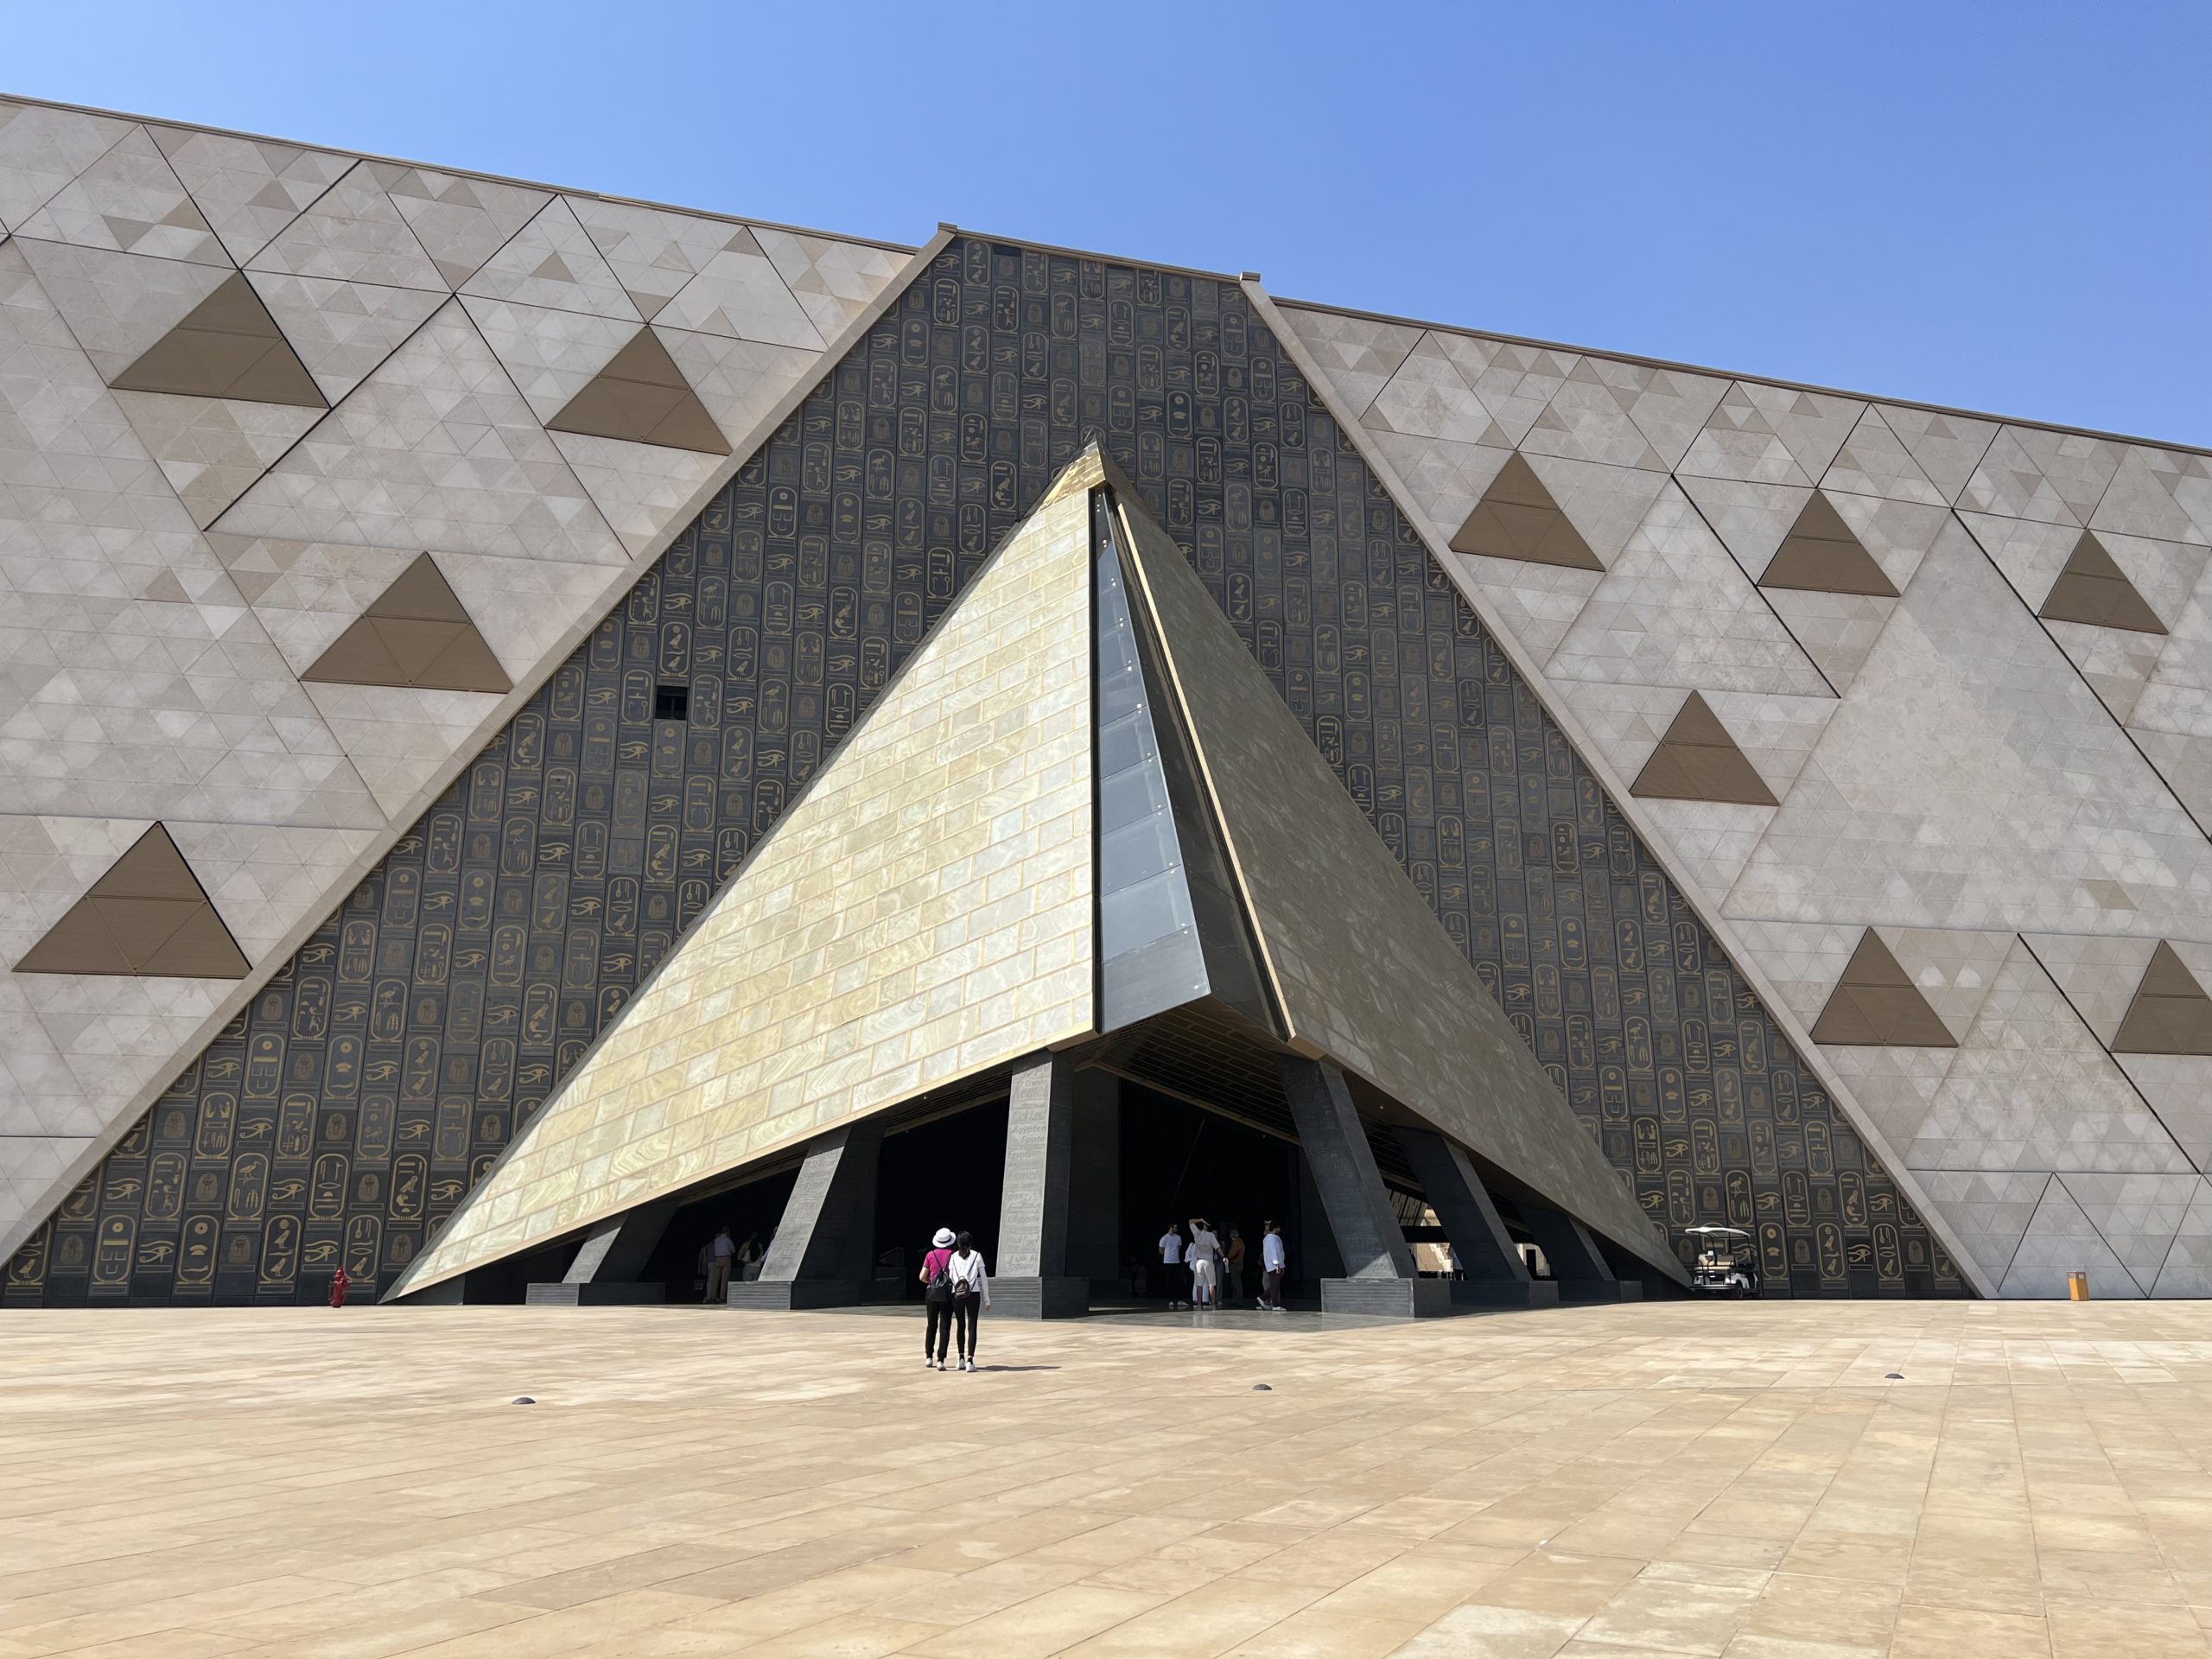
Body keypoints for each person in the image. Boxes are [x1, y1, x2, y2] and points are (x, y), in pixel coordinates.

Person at [947, 1230, 989, 1371]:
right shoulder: (977, 1256)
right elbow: (983, 1278)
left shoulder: (953, 1257)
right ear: (970, 1243)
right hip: (973, 1293)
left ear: (958, 1243)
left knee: (960, 1325)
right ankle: (970, 1360)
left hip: (957, 1294)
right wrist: (986, 1298)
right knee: (972, 1326)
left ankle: (960, 1358)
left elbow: (951, 1277)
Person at [919, 1226, 957, 1370]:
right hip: (947, 1294)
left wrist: (932, 1282)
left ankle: (929, 1356)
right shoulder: (954, 1255)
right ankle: (941, 1359)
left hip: (932, 1293)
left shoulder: (930, 1255)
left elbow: (922, 1276)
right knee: (945, 1326)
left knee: (931, 1324)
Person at [1188, 1216, 1220, 1309]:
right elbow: (1217, 1247)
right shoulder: (1210, 1236)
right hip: (1208, 1261)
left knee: (1199, 1284)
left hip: (1199, 1262)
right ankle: (1213, 1303)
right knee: (1211, 1284)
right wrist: (1223, 1256)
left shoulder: (1197, 1234)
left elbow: (1190, 1221)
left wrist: (1200, 1219)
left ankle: (1199, 1303)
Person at [1260, 1219, 1287, 1312]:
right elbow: (1274, 1252)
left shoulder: (1269, 1238)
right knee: (1275, 1285)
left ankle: (1264, 1299)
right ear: (1275, 1228)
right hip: (1274, 1265)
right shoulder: (1272, 1238)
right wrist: (1277, 1264)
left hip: (1271, 1265)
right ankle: (1274, 1304)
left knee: (1274, 1285)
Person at [1158, 1222, 1185, 1308]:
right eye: (1175, 1227)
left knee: (1178, 1281)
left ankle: (1180, 1299)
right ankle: (1170, 1300)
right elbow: (1161, 1250)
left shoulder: (1178, 1237)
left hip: (1176, 1262)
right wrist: (1168, 1255)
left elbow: (1179, 1248)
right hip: (1168, 1262)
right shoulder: (1164, 1238)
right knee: (1169, 1281)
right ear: (1171, 1228)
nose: (1177, 1229)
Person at [704, 1226, 734, 1302]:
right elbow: (733, 1250)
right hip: (726, 1258)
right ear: (727, 1232)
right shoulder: (728, 1240)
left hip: (717, 1259)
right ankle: (722, 1297)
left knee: (716, 1278)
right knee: (724, 1278)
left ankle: (713, 1296)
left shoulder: (716, 1240)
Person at [1224, 1226, 1246, 1305]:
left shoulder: (1237, 1242)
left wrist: (1226, 1257)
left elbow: (1232, 1254)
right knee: (1235, 1284)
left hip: (1236, 1265)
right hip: (1238, 1265)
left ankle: (1238, 1301)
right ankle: (1236, 1300)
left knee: (1236, 1284)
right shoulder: (1240, 1242)